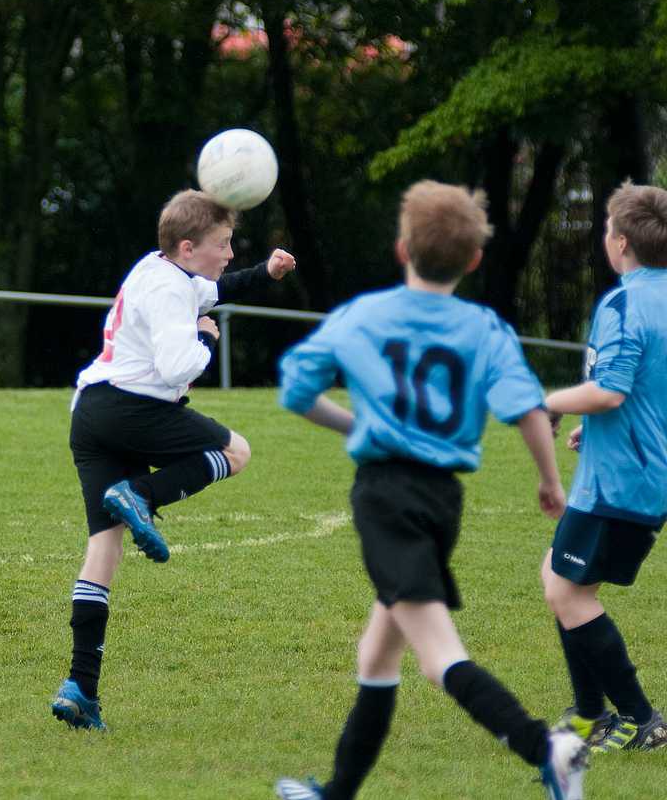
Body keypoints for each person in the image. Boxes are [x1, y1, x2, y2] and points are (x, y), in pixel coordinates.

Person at [275, 179, 589, 800]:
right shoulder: (484, 328)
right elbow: (527, 409)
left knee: (439, 657)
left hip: (386, 497)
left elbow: (297, 389)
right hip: (441, 501)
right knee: (377, 657)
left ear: (401, 249)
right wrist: (550, 480)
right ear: (474, 260)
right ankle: (336, 792)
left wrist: (358, 425)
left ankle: (546, 749)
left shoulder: (363, 315)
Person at [51, 188, 296, 731]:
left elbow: (215, 289)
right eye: (223, 244)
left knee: (104, 550)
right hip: (130, 408)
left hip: (91, 413)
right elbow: (177, 365)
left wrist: (267, 272)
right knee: (236, 450)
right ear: (188, 248)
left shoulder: (161, 269)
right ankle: (139, 495)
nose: (229, 253)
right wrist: (204, 338)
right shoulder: (168, 289)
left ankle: (80, 688)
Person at [541, 180, 667, 753]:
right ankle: (590, 713)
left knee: (567, 592)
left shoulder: (623, 303)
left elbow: (611, 390)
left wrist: (549, 402)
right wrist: (594, 428)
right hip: (640, 471)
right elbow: (647, 387)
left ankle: (640, 718)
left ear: (620, 243)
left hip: (622, 480)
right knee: (560, 577)